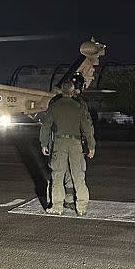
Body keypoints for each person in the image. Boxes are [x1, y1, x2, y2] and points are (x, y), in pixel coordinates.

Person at [40, 78, 96, 215]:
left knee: (58, 175)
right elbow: (87, 127)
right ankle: (82, 207)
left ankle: (57, 207)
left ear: (62, 91)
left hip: (60, 142)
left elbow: (46, 126)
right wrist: (91, 146)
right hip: (76, 143)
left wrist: (43, 143)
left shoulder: (54, 106)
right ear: (73, 91)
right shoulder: (80, 106)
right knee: (78, 175)